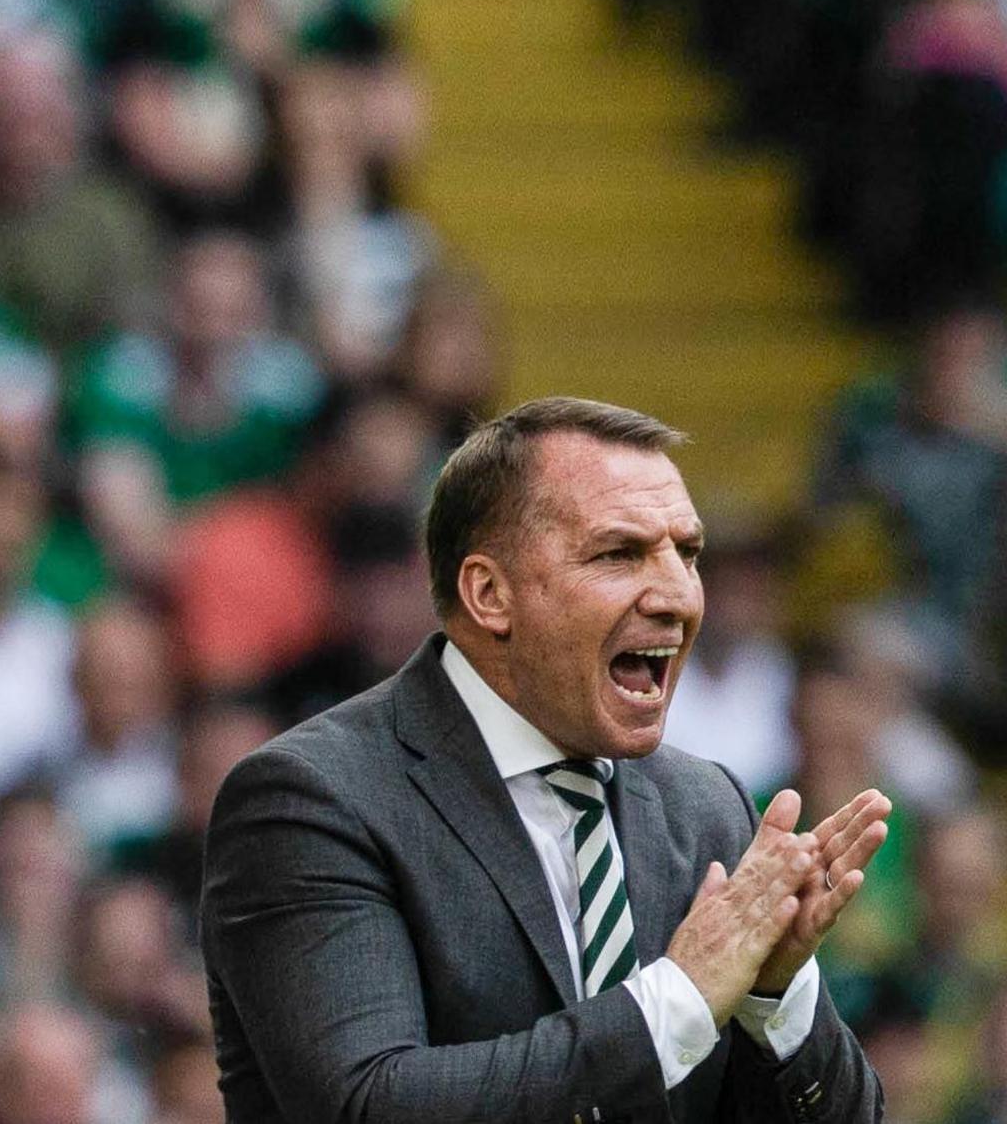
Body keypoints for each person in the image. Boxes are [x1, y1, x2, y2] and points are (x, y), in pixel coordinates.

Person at [202, 397, 889, 1121]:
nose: (679, 596)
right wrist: (677, 1000)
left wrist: (774, 997)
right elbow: (369, 1104)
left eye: (686, 552)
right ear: (490, 593)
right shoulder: (313, 799)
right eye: (619, 553)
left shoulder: (706, 805)